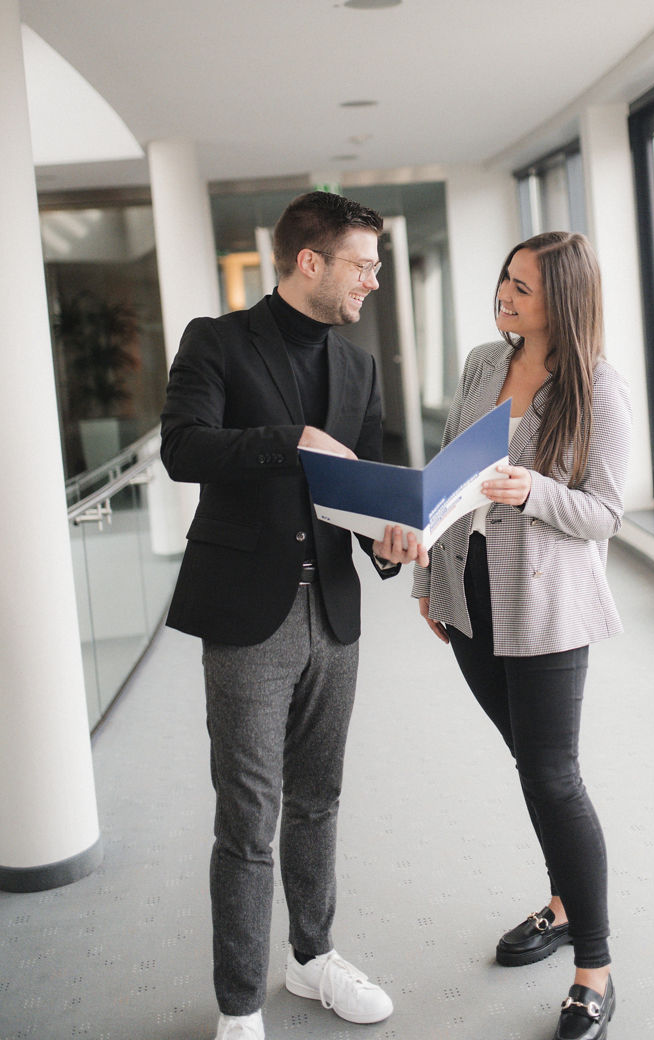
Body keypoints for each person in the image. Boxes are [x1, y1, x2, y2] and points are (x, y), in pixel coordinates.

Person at [161, 191, 428, 1040]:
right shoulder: (217, 340)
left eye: (376, 267)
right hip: (249, 613)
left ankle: (312, 957)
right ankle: (239, 1006)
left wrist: (394, 540)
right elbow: (183, 447)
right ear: (309, 262)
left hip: (335, 613)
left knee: (319, 798)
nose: (374, 282)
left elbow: (372, 483)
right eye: (362, 265)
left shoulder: (359, 368)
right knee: (249, 817)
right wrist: (291, 440)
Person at [412, 232, 630, 1040]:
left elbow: (606, 514)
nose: (505, 295)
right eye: (504, 279)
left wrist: (532, 489)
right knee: (531, 765)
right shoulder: (481, 362)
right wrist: (429, 581)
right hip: (471, 596)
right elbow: (442, 475)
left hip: (545, 609)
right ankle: (567, 902)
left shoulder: (598, 388)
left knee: (551, 775)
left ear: (564, 301)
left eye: (524, 288)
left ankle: (594, 967)